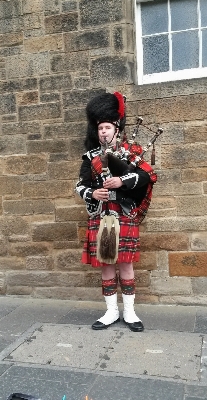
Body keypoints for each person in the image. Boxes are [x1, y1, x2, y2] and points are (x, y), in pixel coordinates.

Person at [76, 91, 157, 332]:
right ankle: (111, 312)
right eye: (100, 127)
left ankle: (130, 312)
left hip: (124, 214)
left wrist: (122, 181)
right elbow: (79, 185)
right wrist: (92, 194)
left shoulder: (132, 152)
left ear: (116, 128)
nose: (103, 131)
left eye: (107, 127)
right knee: (107, 264)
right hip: (102, 217)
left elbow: (148, 175)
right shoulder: (90, 158)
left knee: (126, 265)